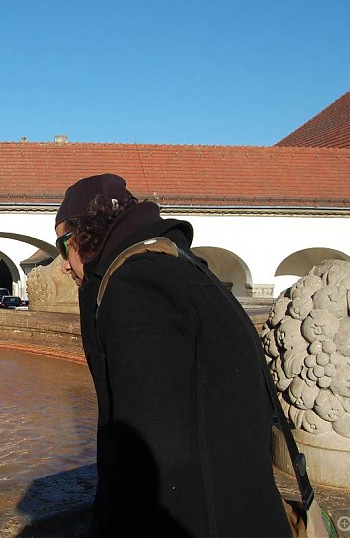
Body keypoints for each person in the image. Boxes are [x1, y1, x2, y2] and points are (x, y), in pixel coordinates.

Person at [54, 173, 291, 537]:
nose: (63, 264)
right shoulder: (183, 268)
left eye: (62, 245)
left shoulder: (137, 289)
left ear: (86, 235)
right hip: (244, 512)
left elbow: (149, 453)